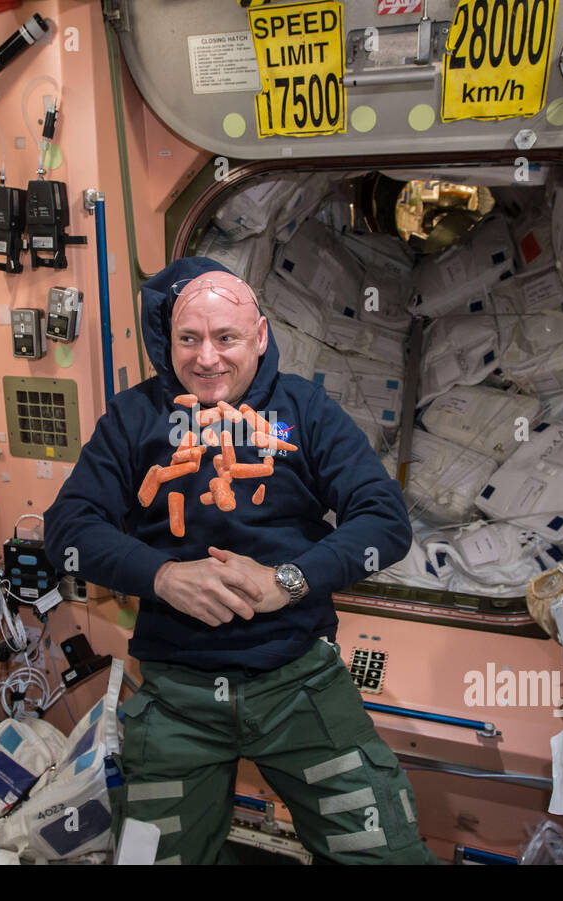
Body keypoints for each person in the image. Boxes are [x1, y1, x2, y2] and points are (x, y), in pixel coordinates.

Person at [43, 256, 438, 864]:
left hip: (299, 684)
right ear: (167, 341)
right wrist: (163, 576)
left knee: (388, 857)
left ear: (260, 336)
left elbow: (384, 521)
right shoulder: (133, 418)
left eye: (226, 338)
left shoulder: (307, 411)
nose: (207, 358)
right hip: (177, 694)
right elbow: (67, 530)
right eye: (189, 339)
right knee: (148, 858)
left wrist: (289, 580)